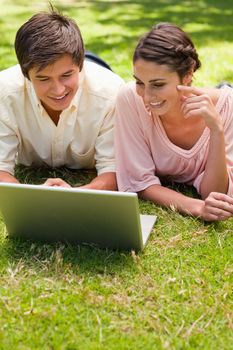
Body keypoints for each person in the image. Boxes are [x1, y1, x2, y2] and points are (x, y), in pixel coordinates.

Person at [114, 22, 233, 221]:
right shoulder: (130, 99)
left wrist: (216, 130)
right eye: (139, 82)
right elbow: (139, 183)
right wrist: (197, 207)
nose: (147, 97)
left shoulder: (227, 108)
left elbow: (215, 193)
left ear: (187, 75)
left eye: (158, 84)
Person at [0, 8, 124, 190]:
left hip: (95, 71)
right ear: (25, 74)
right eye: (43, 78)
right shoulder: (5, 93)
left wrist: (77, 194)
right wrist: (32, 197)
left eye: (66, 75)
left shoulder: (111, 93)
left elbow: (114, 170)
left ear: (80, 66)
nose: (58, 90)